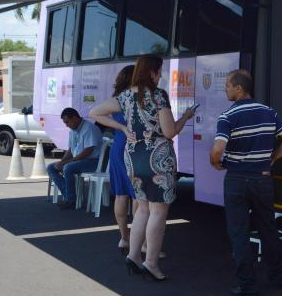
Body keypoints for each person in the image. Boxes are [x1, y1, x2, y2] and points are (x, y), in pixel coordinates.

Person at [90, 55, 194, 281]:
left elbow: (95, 113)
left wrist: (121, 127)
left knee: (143, 209)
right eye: (160, 71)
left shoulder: (125, 96)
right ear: (152, 72)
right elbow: (168, 132)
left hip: (133, 156)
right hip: (158, 158)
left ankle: (134, 254)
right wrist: (185, 117)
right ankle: (151, 262)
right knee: (158, 211)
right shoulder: (158, 96)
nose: (161, 75)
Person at [210, 69, 282, 296]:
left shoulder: (227, 117)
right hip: (262, 179)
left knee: (239, 233)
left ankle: (247, 285)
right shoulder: (268, 112)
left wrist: (215, 163)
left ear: (239, 88)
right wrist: (273, 159)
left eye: (227, 86)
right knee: (268, 228)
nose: (225, 89)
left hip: (237, 180)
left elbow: (218, 149)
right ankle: (276, 277)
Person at [46, 108, 102, 210]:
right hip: (80, 160)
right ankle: (68, 195)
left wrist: (68, 162)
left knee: (68, 168)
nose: (66, 125)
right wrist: (62, 161)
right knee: (51, 167)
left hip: (94, 161)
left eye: (67, 122)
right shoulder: (73, 130)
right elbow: (71, 150)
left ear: (75, 118)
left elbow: (88, 151)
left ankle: (70, 200)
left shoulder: (89, 128)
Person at [107, 64, 136, 253]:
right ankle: (141, 242)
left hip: (117, 146)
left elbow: (97, 114)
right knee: (138, 198)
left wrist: (120, 127)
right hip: (132, 147)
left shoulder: (116, 99)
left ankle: (124, 238)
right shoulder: (135, 99)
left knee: (120, 194)